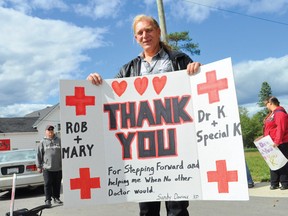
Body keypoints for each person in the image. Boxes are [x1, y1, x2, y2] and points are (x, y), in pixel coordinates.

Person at [87, 14, 201, 216]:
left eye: (148, 30)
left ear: (158, 31)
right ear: (135, 38)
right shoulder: (128, 69)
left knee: (177, 209)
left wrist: (196, 71)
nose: (145, 35)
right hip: (143, 151)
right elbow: (113, 100)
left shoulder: (179, 60)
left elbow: (199, 92)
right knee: (147, 210)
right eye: (140, 32)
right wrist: (96, 83)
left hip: (174, 145)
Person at [261, 96, 288, 190]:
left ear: (271, 103)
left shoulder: (280, 113)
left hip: (281, 142)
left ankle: (285, 183)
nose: (266, 106)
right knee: (273, 163)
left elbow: (281, 128)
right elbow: (270, 129)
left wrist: (277, 141)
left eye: (266, 104)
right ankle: (274, 182)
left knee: (282, 163)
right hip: (271, 142)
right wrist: (263, 138)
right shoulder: (272, 114)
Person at [36, 125, 63, 207]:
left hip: (58, 167)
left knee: (57, 183)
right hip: (47, 167)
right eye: (49, 130)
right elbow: (38, 154)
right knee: (47, 184)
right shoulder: (42, 142)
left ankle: (56, 198)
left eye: (52, 129)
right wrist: (38, 166)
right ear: (46, 131)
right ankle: (48, 200)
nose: (50, 131)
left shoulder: (59, 140)